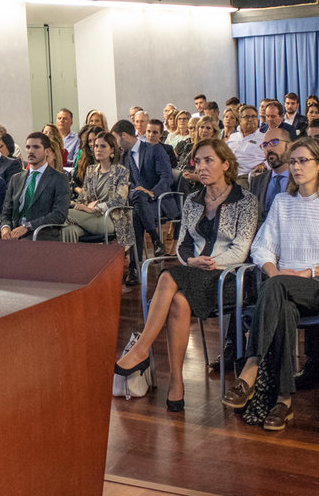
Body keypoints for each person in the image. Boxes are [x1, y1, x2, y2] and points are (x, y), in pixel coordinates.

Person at [223, 137, 319, 431]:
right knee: (282, 307)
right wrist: (275, 272)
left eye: (303, 161)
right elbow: (262, 247)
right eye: (294, 161)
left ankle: (251, 366)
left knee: (277, 288)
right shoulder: (282, 202)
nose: (296, 167)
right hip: (284, 287)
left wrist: (307, 273)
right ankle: (284, 400)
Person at [113, 139, 258, 410]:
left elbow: (241, 250)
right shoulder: (192, 200)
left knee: (168, 277)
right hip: (195, 274)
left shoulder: (246, 200)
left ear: (225, 165)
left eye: (208, 161)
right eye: (197, 162)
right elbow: (182, 245)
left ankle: (142, 349)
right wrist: (191, 260)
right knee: (178, 302)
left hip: (230, 278)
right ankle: (176, 383)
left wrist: (207, 263)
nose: (201, 167)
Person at [114, 119, 175, 258]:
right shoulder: (124, 156)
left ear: (124, 135)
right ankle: (155, 239)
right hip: (136, 201)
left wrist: (151, 193)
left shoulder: (155, 149)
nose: (116, 143)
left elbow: (167, 178)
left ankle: (134, 268)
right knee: (137, 197)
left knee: (136, 210)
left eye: (116, 138)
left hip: (156, 201)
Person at [64, 130, 133, 248]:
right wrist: (80, 206)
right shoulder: (90, 170)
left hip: (111, 218)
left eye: (103, 146)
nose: (98, 149)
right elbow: (83, 198)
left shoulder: (121, 171)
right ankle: (73, 265)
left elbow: (119, 201)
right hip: (89, 217)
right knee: (68, 230)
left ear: (112, 150)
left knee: (65, 213)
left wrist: (95, 208)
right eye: (96, 146)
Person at [0, 132, 70, 240]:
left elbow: (59, 214)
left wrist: (28, 226)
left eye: (36, 147)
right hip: (14, 232)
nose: (31, 151)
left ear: (47, 151)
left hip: (40, 233)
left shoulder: (59, 178)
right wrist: (5, 227)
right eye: (28, 147)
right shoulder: (16, 179)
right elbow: (6, 211)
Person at [246, 131, 291, 223]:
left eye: (275, 142)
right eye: (265, 145)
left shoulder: (301, 180)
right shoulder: (257, 181)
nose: (269, 148)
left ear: (289, 146)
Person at [226, 104, 264, 174]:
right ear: (240, 120)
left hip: (248, 175)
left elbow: (274, 157)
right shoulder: (233, 137)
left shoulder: (263, 138)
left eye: (253, 116)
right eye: (247, 117)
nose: (250, 119)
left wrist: (264, 165)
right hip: (229, 173)